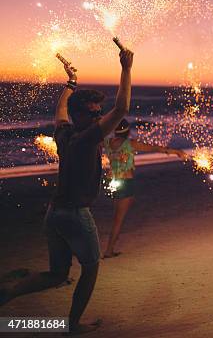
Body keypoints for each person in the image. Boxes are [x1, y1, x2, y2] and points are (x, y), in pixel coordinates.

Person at [0, 45, 134, 335]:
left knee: (58, 274)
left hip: (55, 214)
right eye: (93, 112)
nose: (99, 116)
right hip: (75, 215)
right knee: (91, 267)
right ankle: (72, 326)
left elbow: (61, 109)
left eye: (99, 111)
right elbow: (122, 108)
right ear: (80, 115)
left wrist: (70, 83)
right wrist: (126, 68)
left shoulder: (64, 133)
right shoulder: (86, 139)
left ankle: (7, 294)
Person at [102, 118, 188, 258]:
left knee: (117, 213)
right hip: (125, 182)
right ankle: (109, 250)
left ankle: (110, 248)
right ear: (128, 131)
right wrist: (176, 151)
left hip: (111, 182)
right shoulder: (130, 144)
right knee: (118, 219)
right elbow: (155, 148)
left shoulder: (107, 143)